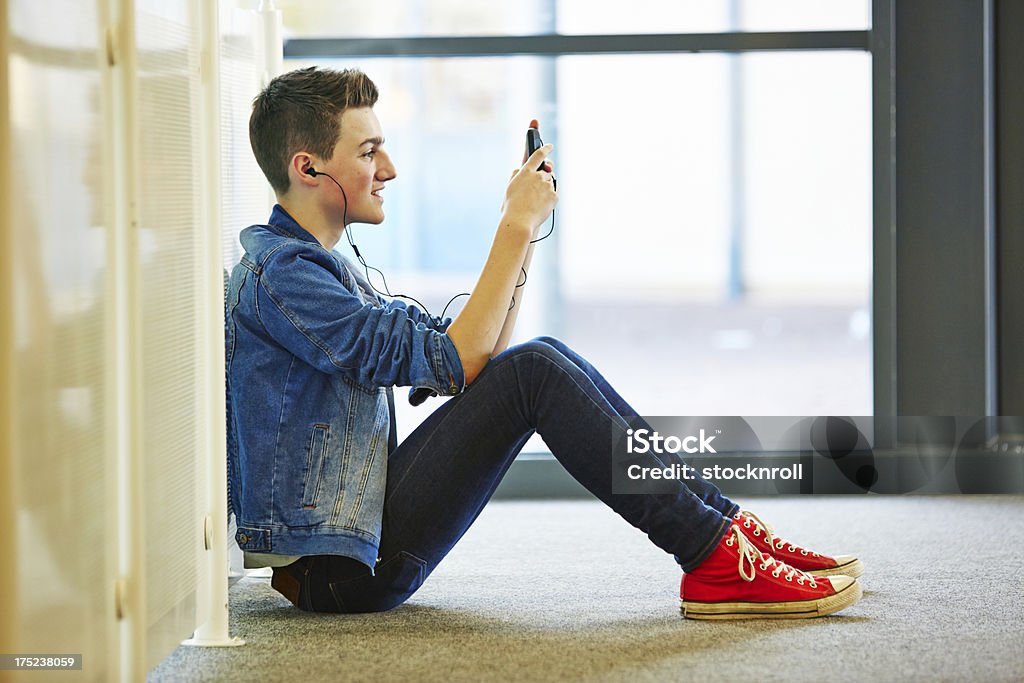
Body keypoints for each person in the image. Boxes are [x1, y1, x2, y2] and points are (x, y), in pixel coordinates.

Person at [226, 66, 863, 619]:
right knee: (536, 370)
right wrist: (514, 222)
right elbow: (460, 359)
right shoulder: (284, 276)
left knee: (539, 359)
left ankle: (725, 534)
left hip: (357, 536)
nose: (388, 169)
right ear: (307, 167)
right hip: (337, 571)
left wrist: (525, 236)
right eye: (369, 152)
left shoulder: (322, 269)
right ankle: (715, 554)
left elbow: (477, 354)